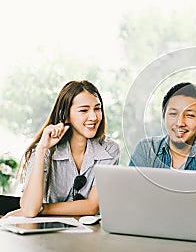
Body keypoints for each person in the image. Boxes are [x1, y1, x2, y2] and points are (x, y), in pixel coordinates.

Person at [5, 80, 120, 218]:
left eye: (97, 108)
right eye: (84, 110)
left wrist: (41, 209)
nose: (94, 117)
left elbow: (92, 206)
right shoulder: (45, 150)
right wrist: (42, 149)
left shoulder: (110, 150)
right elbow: (30, 209)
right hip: (49, 234)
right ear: (65, 115)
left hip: (90, 234)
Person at [129, 82, 196, 219]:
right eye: (173, 114)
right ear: (164, 117)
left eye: (189, 115)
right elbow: (131, 203)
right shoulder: (146, 149)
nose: (179, 122)